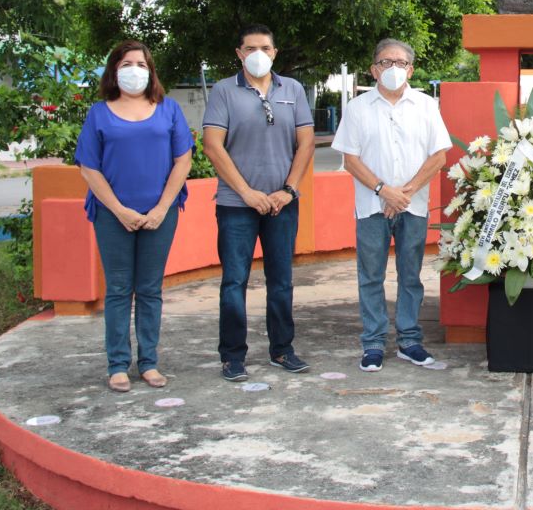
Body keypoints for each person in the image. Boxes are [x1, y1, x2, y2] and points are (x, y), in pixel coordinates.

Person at [76, 41, 193, 392]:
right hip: (113, 215)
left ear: (150, 70)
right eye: (127, 63)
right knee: (118, 289)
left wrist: (160, 209)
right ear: (114, 69)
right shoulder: (99, 112)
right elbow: (89, 168)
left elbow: (183, 161)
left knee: (150, 289)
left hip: (161, 214)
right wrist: (120, 210)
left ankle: (149, 362)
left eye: (141, 64)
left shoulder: (168, 109)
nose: (134, 69)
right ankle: (117, 365)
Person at [202, 24, 315, 381]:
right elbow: (213, 146)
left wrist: (289, 189)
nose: (258, 54)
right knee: (234, 282)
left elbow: (306, 143)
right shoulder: (223, 91)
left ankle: (282, 349)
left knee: (281, 281)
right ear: (238, 53)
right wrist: (246, 192)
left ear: (274, 52)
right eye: (250, 48)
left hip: (283, 204)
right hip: (236, 205)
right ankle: (232, 356)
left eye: (265, 47)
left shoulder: (293, 89)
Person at [333, 39, 451, 373]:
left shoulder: (426, 106)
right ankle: (372, 343)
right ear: (373, 69)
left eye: (400, 63)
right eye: (386, 62)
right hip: (371, 207)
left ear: (411, 69)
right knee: (370, 275)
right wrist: (385, 191)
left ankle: (409, 340)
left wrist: (405, 193)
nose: (393, 69)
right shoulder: (357, 108)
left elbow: (439, 156)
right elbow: (350, 158)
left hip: (412, 207)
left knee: (410, 275)